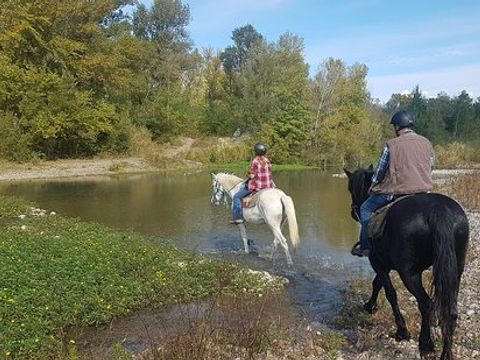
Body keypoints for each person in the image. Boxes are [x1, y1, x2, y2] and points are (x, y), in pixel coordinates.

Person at [351, 110, 435, 257]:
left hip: (396, 191)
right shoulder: (426, 143)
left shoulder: (391, 144)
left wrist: (373, 185)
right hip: (423, 191)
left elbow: (379, 172)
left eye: (394, 127)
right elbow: (431, 166)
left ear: (397, 127)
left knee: (365, 208)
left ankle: (365, 247)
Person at [230, 142, 276, 224]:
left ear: (256, 152)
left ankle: (238, 218)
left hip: (258, 185)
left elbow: (252, 176)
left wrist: (247, 174)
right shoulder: (268, 160)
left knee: (236, 197)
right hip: (269, 185)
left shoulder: (255, 161)